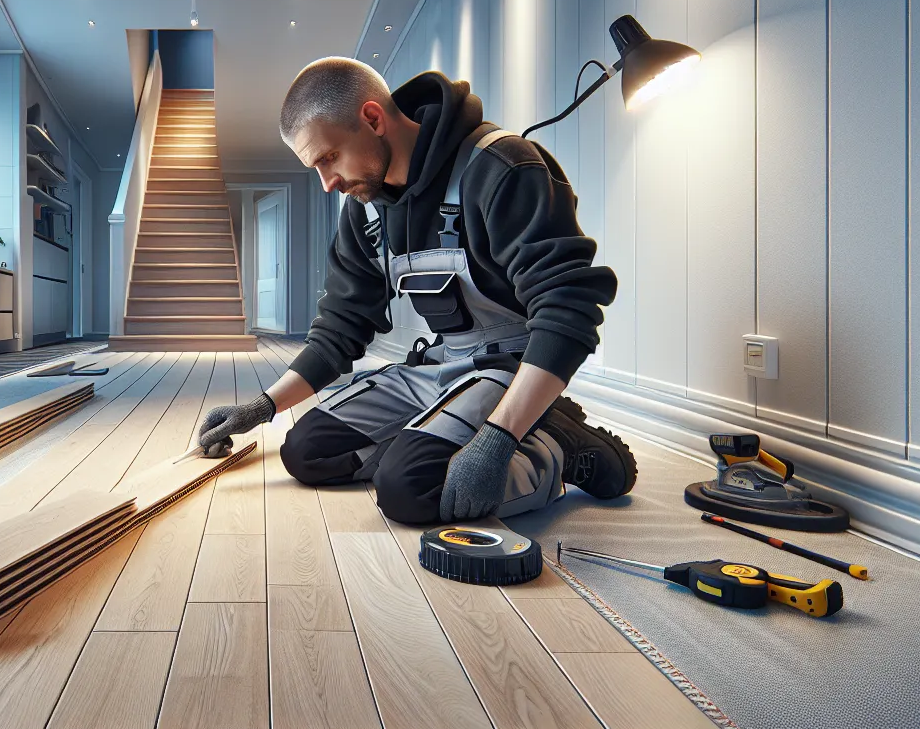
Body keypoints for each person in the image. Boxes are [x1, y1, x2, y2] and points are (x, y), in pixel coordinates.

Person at [195, 58, 636, 524]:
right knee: (307, 452)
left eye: (328, 158)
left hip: (513, 368)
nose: (329, 184)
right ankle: (448, 434)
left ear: (372, 118)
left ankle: (557, 446)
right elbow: (342, 325)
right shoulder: (365, 208)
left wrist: (496, 441)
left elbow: (569, 306)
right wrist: (262, 408)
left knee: (410, 488)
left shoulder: (500, 167)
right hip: (440, 366)